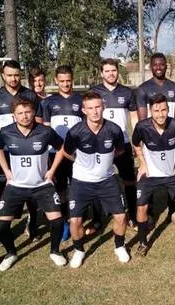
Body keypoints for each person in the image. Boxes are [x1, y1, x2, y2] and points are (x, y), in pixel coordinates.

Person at [0, 98, 68, 270]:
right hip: (16, 186)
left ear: (34, 113)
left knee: (57, 222)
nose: (25, 116)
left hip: (42, 185)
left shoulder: (45, 131)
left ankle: (55, 251)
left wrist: (52, 171)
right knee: (2, 225)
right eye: (20, 113)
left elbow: (61, 148)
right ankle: (11, 253)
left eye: (28, 112)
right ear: (14, 115)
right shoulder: (6, 132)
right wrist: (6, 170)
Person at [62, 92, 129, 268]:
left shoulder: (114, 130)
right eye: (90, 108)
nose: (95, 112)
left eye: (98, 107)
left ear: (103, 107)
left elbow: (119, 151)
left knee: (121, 216)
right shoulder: (76, 131)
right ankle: (79, 250)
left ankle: (119, 246)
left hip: (107, 180)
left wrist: (104, 166)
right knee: (75, 221)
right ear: (83, 110)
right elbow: (67, 152)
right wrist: (81, 164)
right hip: (81, 182)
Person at [132, 94, 175, 256]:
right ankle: (143, 242)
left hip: (172, 173)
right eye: (156, 110)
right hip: (150, 174)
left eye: (164, 109)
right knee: (141, 206)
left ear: (168, 109)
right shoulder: (142, 126)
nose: (160, 114)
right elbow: (135, 144)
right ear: (150, 111)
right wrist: (142, 164)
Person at [0, 60, 41, 239]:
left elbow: (38, 121)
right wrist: (1, 141)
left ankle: (32, 223)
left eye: (16, 75)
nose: (13, 78)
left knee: (32, 187)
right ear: (3, 75)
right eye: (9, 75)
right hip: (7, 152)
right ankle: (6, 224)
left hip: (28, 151)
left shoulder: (30, 95)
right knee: (5, 187)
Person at [134, 53, 175, 224]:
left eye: (161, 64)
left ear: (166, 66)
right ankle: (152, 212)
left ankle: (173, 209)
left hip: (171, 137)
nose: (158, 67)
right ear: (150, 66)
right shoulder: (143, 89)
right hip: (151, 139)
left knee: (172, 172)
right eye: (155, 64)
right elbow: (142, 121)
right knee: (151, 176)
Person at [91, 59, 138, 229]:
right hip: (100, 146)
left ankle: (132, 215)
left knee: (129, 181)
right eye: (107, 71)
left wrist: (134, 142)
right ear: (102, 73)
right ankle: (97, 218)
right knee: (98, 179)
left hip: (122, 144)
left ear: (118, 72)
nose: (111, 74)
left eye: (114, 70)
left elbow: (133, 118)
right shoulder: (94, 92)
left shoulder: (127, 92)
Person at [37, 65, 83, 238]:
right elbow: (46, 130)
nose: (65, 84)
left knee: (78, 186)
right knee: (60, 188)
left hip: (77, 153)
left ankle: (77, 218)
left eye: (68, 80)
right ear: (56, 80)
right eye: (62, 81)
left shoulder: (80, 99)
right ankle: (63, 220)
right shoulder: (48, 102)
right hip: (55, 153)